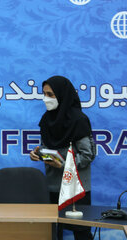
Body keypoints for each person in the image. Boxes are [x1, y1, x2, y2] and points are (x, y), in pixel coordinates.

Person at [30, 76, 95, 240]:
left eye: (51, 94)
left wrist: (64, 164)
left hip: (76, 188)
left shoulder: (79, 120)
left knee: (81, 231)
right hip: (53, 186)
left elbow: (87, 156)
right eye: (44, 94)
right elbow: (45, 147)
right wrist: (37, 154)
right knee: (52, 230)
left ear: (62, 94)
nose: (46, 99)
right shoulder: (46, 120)